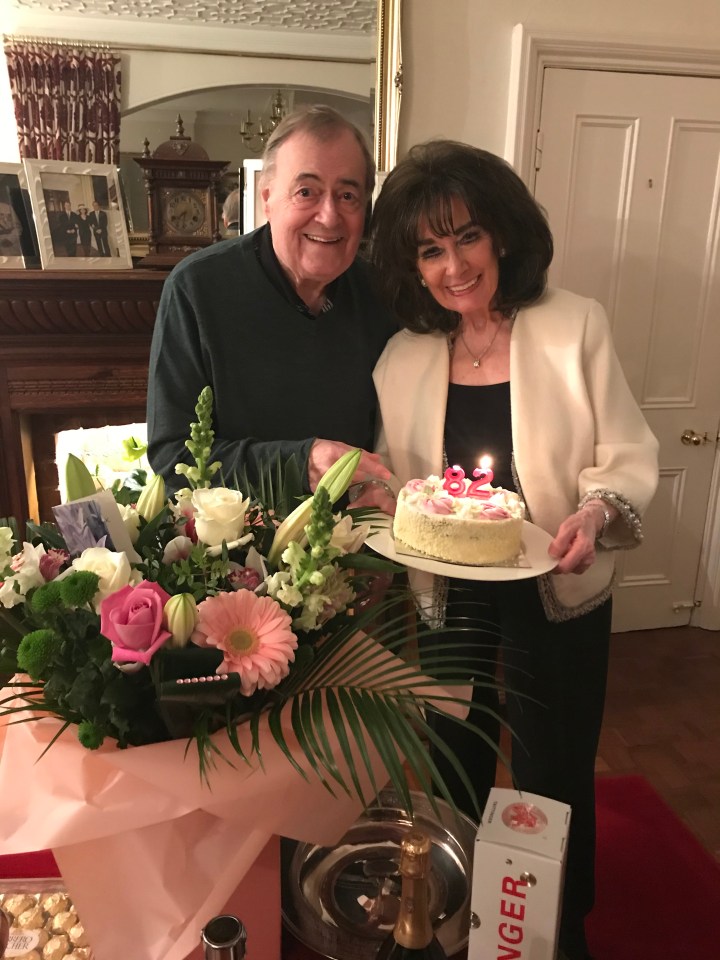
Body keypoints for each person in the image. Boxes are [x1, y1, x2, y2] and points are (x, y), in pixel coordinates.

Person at [369, 140, 659, 960]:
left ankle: (556, 928)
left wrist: (594, 515)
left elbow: (626, 455)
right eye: (429, 249)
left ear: (501, 235)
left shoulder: (575, 327)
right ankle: (454, 915)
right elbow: (405, 486)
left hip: (555, 584)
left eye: (466, 236)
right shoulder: (403, 357)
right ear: (411, 265)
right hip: (447, 590)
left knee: (553, 771)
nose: (453, 265)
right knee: (452, 761)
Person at [147, 105, 396, 508]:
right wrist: (300, 463)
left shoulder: (383, 295)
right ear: (267, 198)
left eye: (347, 195)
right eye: (306, 192)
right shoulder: (197, 288)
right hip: (232, 552)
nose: (329, 216)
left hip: (360, 544)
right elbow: (172, 458)